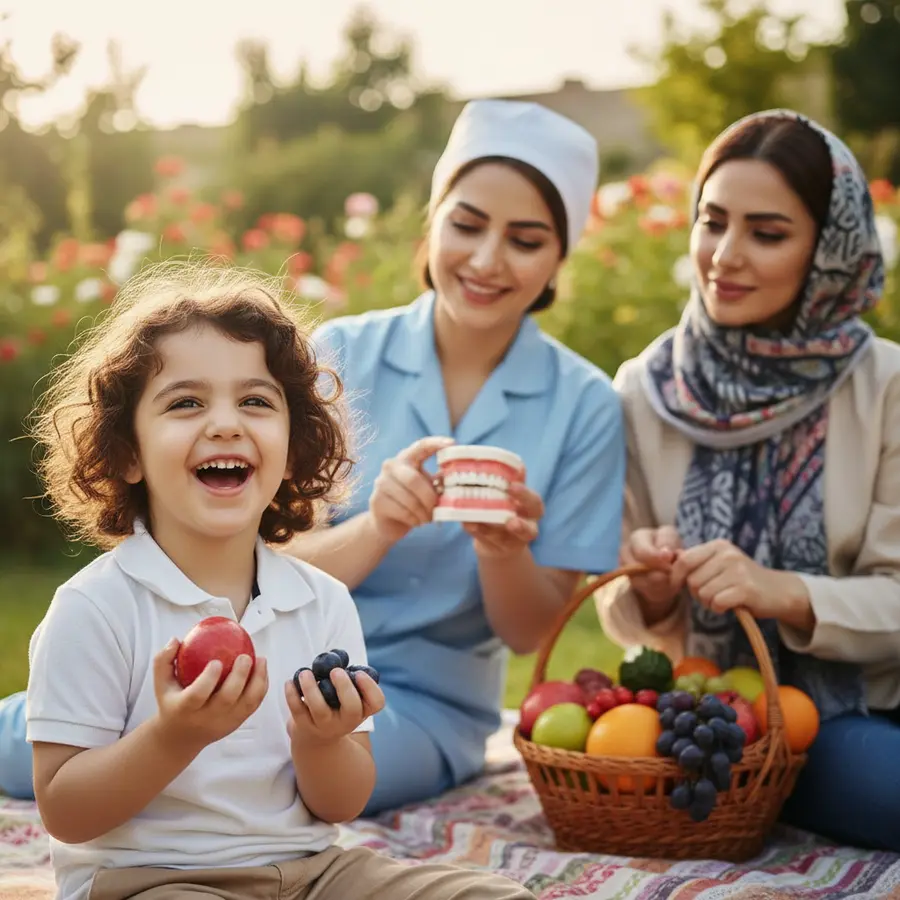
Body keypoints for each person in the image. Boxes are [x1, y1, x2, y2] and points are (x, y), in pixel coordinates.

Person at [19, 261, 535, 900]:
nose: (226, 424)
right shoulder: (95, 608)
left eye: (256, 401)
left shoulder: (322, 602)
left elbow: (342, 804)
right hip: (153, 881)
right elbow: (66, 810)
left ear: (293, 450)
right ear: (126, 453)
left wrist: (320, 741)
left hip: (314, 874)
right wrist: (174, 737)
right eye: (185, 402)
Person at [286, 99, 626, 814]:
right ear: (432, 221)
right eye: (467, 225)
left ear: (560, 257)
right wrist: (375, 526)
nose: (486, 260)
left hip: (424, 705)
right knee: (62, 735)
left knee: (281, 780)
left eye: (526, 240)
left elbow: (530, 632)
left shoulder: (586, 403)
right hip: (281, 665)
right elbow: (257, 567)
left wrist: (505, 551)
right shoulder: (336, 357)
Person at [595, 109, 900, 853]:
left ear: (828, 251)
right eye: (712, 221)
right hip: (755, 722)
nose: (724, 256)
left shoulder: (886, 385)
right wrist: (650, 588)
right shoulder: (647, 388)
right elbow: (619, 601)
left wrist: (783, 592)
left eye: (766, 233)